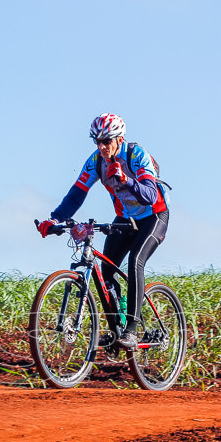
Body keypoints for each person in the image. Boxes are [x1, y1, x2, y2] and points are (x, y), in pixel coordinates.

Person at [37, 113, 169, 350]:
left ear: (119, 138)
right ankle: (116, 328)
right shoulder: (96, 160)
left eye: (106, 141)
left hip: (154, 216)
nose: (101, 146)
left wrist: (126, 180)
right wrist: (54, 219)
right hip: (126, 218)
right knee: (106, 270)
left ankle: (131, 331)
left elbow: (150, 195)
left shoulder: (136, 154)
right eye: (96, 142)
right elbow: (77, 193)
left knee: (135, 262)